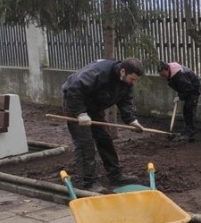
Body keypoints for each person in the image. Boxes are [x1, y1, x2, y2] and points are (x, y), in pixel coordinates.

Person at [61, 58, 145, 193]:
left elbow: (125, 99)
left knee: (104, 138)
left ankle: (116, 175)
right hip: (75, 104)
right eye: (132, 79)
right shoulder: (97, 72)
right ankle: (90, 182)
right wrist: (80, 113)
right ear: (123, 71)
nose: (133, 82)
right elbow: (74, 89)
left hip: (94, 107)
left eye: (136, 80)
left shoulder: (126, 81)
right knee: (85, 144)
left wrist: (131, 120)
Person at [158, 61, 201, 142]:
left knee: (189, 110)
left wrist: (180, 96)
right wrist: (180, 94)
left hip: (194, 89)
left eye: (164, 75)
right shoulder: (172, 72)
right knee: (186, 110)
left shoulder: (179, 75)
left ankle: (190, 134)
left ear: (167, 69)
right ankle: (187, 131)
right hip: (188, 88)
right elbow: (181, 86)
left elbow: (188, 88)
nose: (164, 77)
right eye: (161, 76)